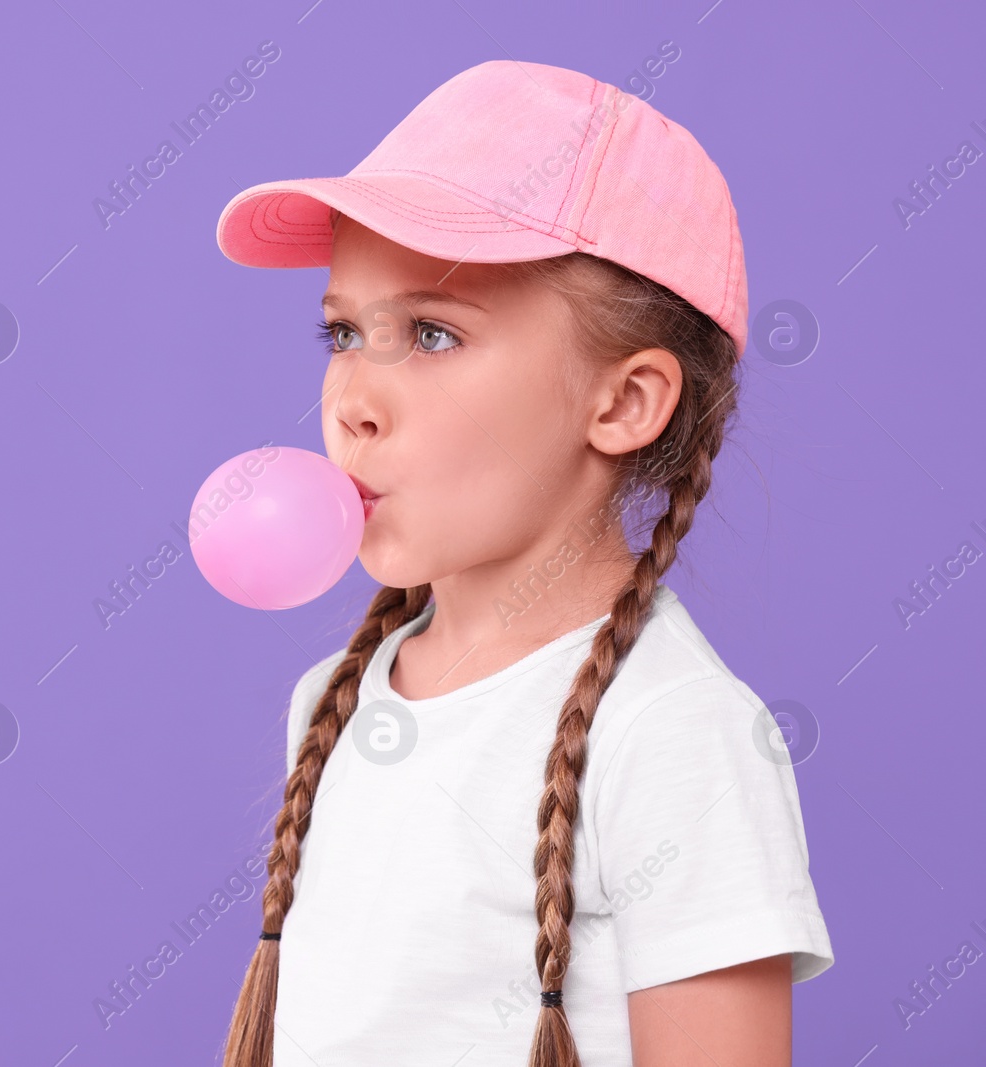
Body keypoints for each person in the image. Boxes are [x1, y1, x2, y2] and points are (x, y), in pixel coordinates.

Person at [212, 59, 833, 1067]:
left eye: (431, 333)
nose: (352, 400)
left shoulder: (673, 734)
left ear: (624, 401)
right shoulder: (329, 701)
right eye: (343, 332)